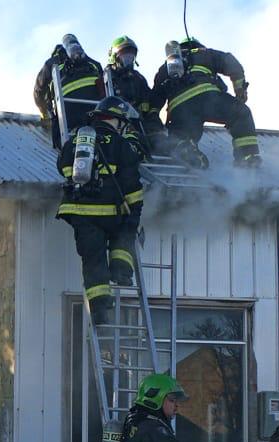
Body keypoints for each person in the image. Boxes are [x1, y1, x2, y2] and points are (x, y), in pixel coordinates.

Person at [55, 97, 144, 326]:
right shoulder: (120, 144)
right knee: (124, 233)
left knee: (93, 260)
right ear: (115, 119)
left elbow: (63, 167)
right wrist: (133, 216)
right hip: (109, 212)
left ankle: (100, 311)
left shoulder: (76, 141)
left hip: (78, 212)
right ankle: (122, 272)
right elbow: (132, 186)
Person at [150, 37, 259, 168]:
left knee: (182, 139)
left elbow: (154, 99)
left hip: (179, 111)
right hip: (207, 97)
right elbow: (231, 63)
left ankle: (190, 153)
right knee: (241, 114)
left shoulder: (164, 68)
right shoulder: (204, 53)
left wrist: (153, 123)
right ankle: (247, 158)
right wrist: (239, 89)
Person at [105, 35, 171, 159]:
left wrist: (152, 118)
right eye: (125, 57)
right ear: (114, 57)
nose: (129, 60)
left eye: (131, 57)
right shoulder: (107, 77)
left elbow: (148, 100)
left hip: (140, 121)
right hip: (119, 122)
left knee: (160, 139)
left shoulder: (138, 78)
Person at [35, 34, 105, 149]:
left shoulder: (52, 64)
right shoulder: (93, 64)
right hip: (95, 113)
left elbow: (39, 91)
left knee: (70, 149)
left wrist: (44, 114)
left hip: (69, 115)